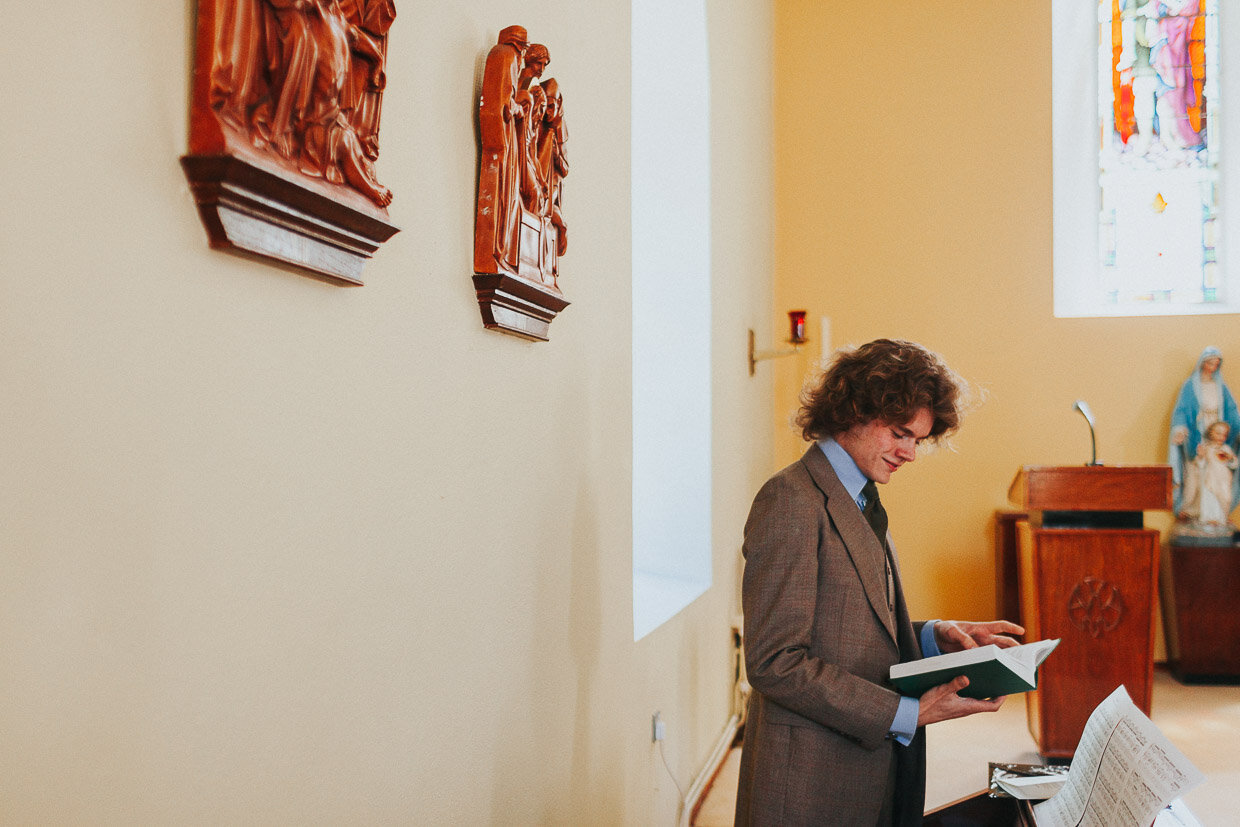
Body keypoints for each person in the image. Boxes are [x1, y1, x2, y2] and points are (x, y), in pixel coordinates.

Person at [735, 339, 1024, 827]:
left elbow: (850, 621)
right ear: (852, 411)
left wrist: (935, 635)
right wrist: (906, 713)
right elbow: (774, 661)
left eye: (918, 440)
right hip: (808, 780)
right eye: (899, 433)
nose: (910, 453)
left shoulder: (860, 495)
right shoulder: (791, 500)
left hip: (866, 767)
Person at [1168, 346, 1240, 516]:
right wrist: (1180, 428)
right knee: (1196, 473)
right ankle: (1193, 511)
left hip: (1218, 433)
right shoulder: (1191, 386)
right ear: (1202, 363)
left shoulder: (1221, 387)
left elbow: (1232, 411)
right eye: (1210, 363)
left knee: (1218, 475)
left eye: (1216, 364)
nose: (1212, 367)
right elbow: (1182, 410)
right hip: (1197, 435)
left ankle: (1217, 514)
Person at [1178, 420, 1238, 526]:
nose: (1221, 437)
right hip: (1209, 478)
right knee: (1210, 497)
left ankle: (1221, 517)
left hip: (1223, 479)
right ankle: (1209, 517)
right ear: (1211, 433)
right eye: (1218, 433)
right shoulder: (1206, 448)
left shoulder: (1226, 449)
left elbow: (1234, 464)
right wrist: (1201, 456)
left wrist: (1230, 458)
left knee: (1225, 497)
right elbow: (1199, 464)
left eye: (1224, 435)